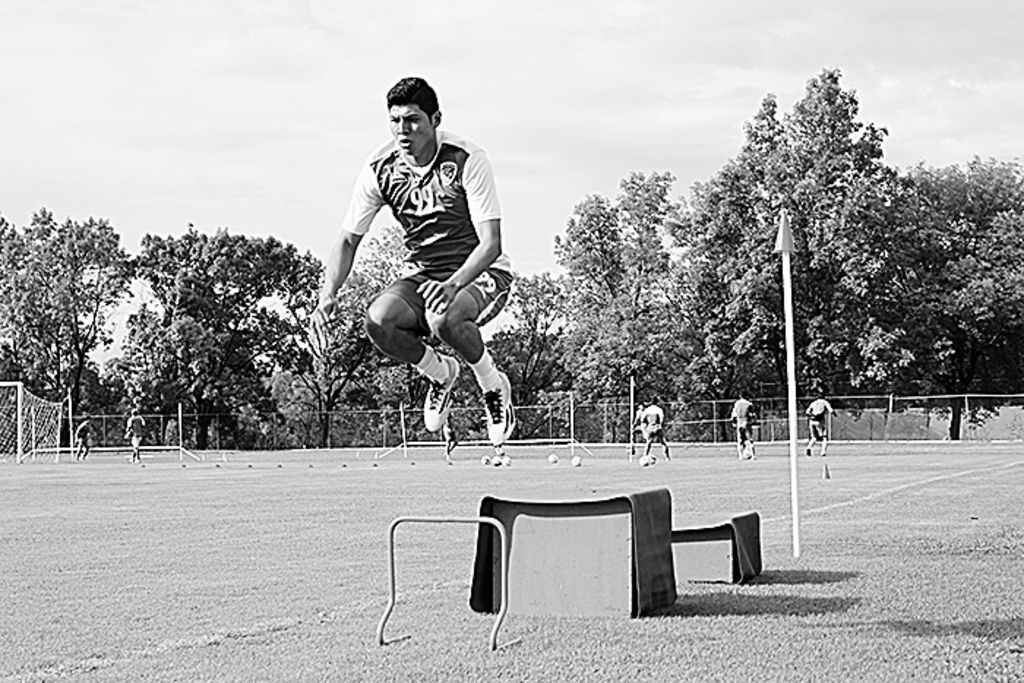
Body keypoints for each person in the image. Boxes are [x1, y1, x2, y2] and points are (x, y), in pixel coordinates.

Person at [310, 77, 515, 447]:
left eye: (413, 120)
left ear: (436, 119)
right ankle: (440, 373)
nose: (402, 130)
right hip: (423, 274)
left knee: (443, 317)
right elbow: (347, 239)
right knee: (379, 320)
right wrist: (328, 294)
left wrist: (453, 285)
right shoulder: (380, 168)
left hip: (481, 271)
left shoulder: (467, 159)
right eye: (395, 121)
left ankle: (492, 384)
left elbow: (491, 244)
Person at [730, 396, 756, 460]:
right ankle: (753, 456)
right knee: (750, 440)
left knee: (740, 441)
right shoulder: (749, 404)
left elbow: (734, 415)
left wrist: (734, 423)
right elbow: (752, 415)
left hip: (739, 422)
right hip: (746, 422)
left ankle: (740, 456)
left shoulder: (737, 404)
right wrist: (753, 421)